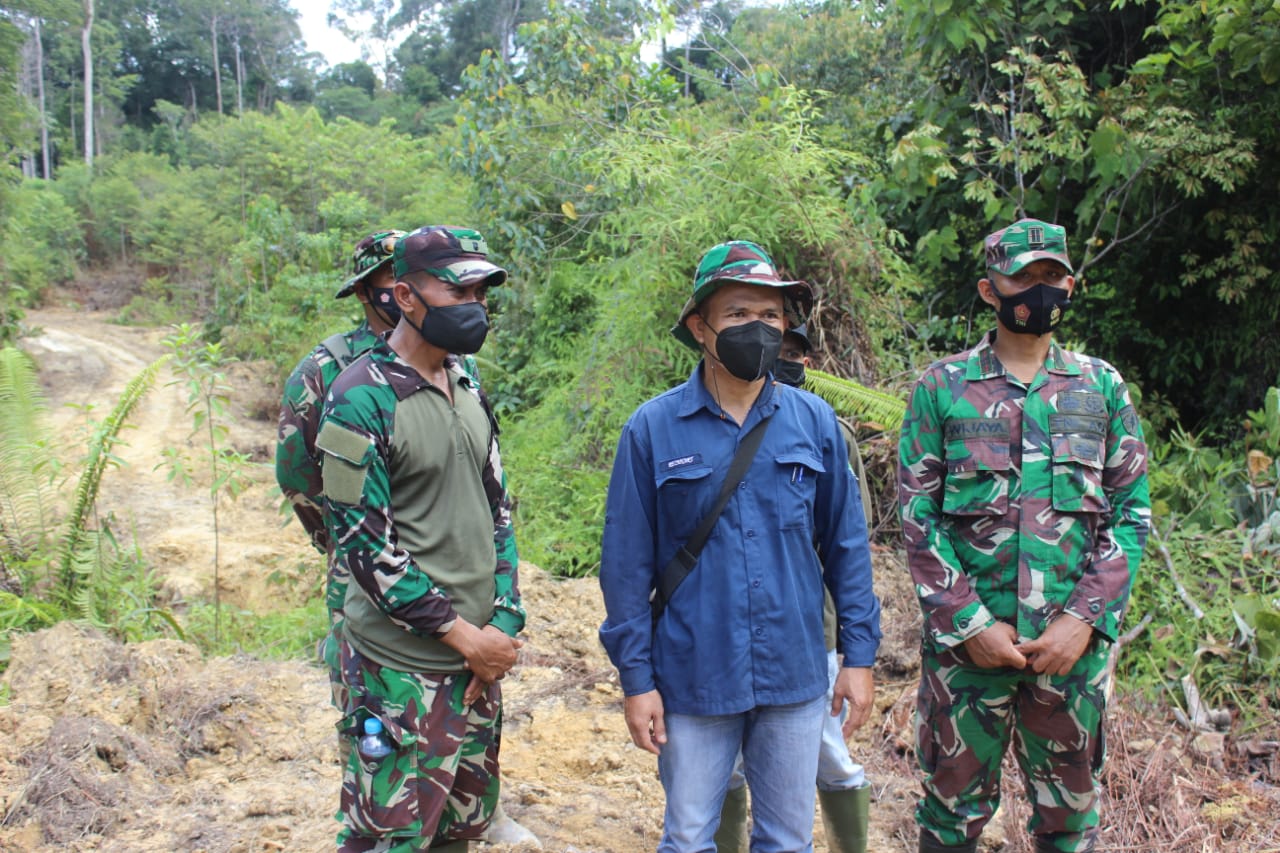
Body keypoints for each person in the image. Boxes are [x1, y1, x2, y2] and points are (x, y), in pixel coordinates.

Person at [599, 240, 882, 853]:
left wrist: (858, 659)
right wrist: (637, 681)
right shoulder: (651, 429)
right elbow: (624, 569)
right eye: (738, 314)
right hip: (693, 675)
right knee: (689, 838)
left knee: (787, 841)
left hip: (794, 674)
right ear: (700, 327)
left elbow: (847, 548)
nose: (758, 328)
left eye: (771, 315)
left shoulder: (815, 422)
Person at [896, 218, 1152, 853]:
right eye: (1023, 278)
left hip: (1070, 659)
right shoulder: (943, 387)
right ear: (990, 290)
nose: (1040, 290)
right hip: (966, 657)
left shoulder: (1100, 386)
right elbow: (918, 517)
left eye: (1051, 276)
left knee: (1069, 824)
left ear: (1070, 285)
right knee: (950, 820)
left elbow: (1130, 514)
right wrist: (970, 623)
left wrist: (1083, 621)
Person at [316, 225, 525, 853]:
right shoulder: (359, 398)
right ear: (404, 296)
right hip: (401, 673)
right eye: (458, 291)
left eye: (481, 294)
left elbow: (498, 511)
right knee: (390, 837)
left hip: (475, 666)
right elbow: (364, 546)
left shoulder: (466, 383)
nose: (474, 306)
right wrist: (463, 636)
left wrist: (503, 621)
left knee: (460, 830)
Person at [714, 324, 873, 853]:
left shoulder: (827, 431)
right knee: (727, 763)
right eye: (778, 350)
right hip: (724, 629)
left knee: (830, 753)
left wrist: (855, 648)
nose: (782, 359)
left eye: (793, 353)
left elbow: (849, 539)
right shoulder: (703, 422)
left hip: (809, 629)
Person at [276, 229, 407, 715]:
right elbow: (296, 473)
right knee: (371, 713)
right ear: (363, 290)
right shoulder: (324, 371)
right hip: (360, 569)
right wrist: (340, 537)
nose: (404, 288)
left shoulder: (452, 362)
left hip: (445, 566)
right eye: (390, 278)